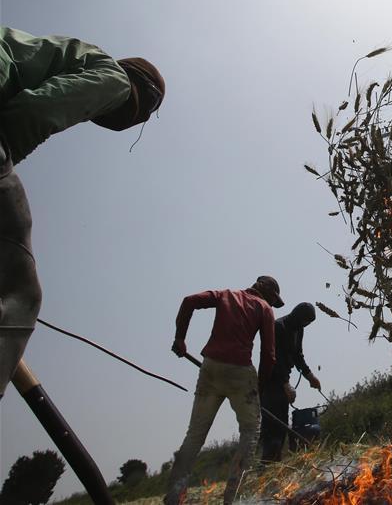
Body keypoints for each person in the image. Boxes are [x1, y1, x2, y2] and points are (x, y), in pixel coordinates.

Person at [0, 26, 164, 399]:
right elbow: (35, 111)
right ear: (144, 96)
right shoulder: (116, 80)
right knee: (18, 288)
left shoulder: (76, 56)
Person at [164, 276, 282, 505]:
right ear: (266, 291)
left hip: (211, 367)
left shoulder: (226, 295)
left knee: (195, 434)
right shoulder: (264, 308)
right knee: (250, 431)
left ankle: (174, 495)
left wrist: (180, 338)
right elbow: (269, 354)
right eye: (272, 298)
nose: (272, 302)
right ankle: (233, 497)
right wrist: (259, 385)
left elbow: (189, 301)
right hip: (240, 372)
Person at [259, 302, 321, 462]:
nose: (306, 324)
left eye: (309, 322)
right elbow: (273, 359)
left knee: (282, 424)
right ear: (298, 315)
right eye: (305, 321)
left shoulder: (298, 329)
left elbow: (297, 356)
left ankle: (275, 462)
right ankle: (266, 465)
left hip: (283, 381)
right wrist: (285, 383)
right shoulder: (278, 327)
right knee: (272, 424)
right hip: (270, 382)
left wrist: (310, 376)